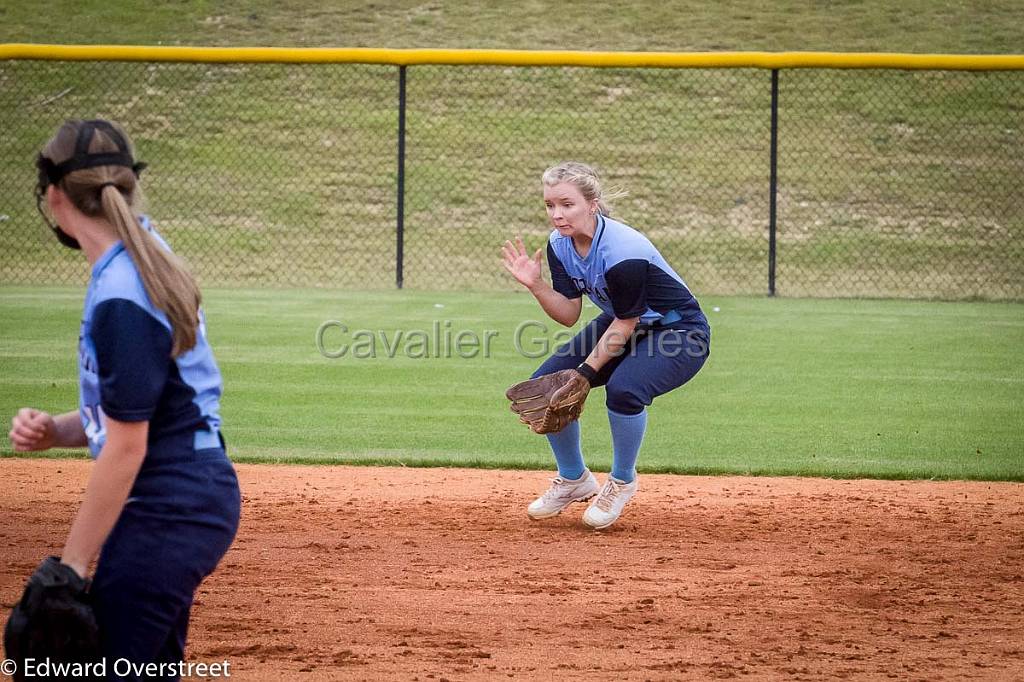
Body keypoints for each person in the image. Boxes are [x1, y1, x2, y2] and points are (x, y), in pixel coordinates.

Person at [8, 119, 240, 677]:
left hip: (171, 501)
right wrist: (60, 430)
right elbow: (143, 406)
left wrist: (72, 566)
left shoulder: (122, 290)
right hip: (183, 495)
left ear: (54, 195)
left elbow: (128, 447)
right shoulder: (143, 255)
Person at [501, 161, 710, 529]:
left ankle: (621, 481)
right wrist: (535, 285)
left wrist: (584, 373)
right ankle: (573, 478)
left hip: (679, 333)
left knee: (624, 390)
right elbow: (568, 313)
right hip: (622, 322)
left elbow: (628, 321)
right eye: (550, 205)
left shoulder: (623, 250)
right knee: (547, 385)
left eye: (567, 204)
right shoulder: (559, 245)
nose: (557, 214)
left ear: (592, 204)